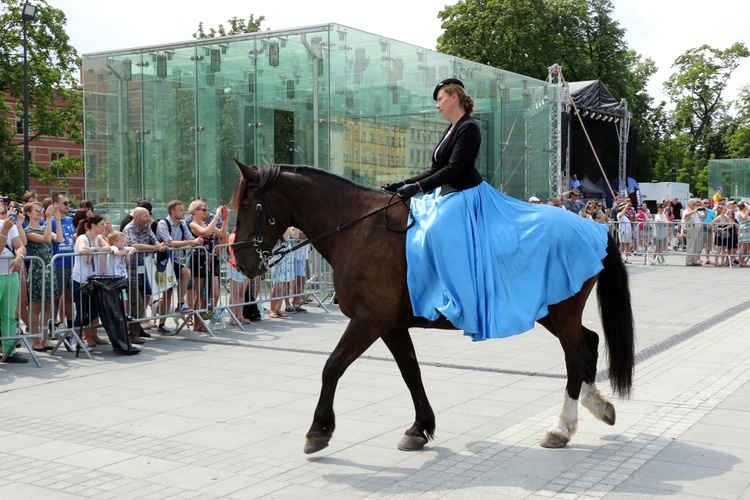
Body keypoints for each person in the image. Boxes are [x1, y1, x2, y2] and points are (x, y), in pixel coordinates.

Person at [381, 78, 608, 341]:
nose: (437, 106)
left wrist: (419, 187)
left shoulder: (469, 128)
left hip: (466, 196)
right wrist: (405, 183)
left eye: (440, 99)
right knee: (419, 225)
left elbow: (454, 170)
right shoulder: (451, 129)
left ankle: (457, 299)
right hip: (448, 194)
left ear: (455, 97)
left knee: (434, 230)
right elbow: (435, 169)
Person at [155, 200, 202, 334]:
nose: (184, 211)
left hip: (174, 260)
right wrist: (191, 241)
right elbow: (170, 242)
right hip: (162, 261)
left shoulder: (182, 224)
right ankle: (161, 324)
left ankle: (181, 303)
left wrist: (197, 241)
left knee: (186, 272)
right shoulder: (163, 224)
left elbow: (189, 238)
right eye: (181, 210)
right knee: (167, 293)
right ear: (173, 212)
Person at [124, 207, 168, 344]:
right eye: (145, 216)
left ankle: (138, 328)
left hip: (145, 270)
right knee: (136, 302)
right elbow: (134, 245)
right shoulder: (129, 228)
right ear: (136, 217)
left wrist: (158, 245)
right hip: (131, 271)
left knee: (143, 300)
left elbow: (153, 240)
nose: (148, 219)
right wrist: (154, 247)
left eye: (148, 216)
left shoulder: (147, 227)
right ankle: (132, 333)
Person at [23, 201, 63, 351]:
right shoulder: (27, 231)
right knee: (36, 307)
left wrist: (57, 219)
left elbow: (58, 239)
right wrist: (47, 217)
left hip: (49, 268)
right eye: (37, 210)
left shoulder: (45, 228)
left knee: (48, 305)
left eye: (41, 210)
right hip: (38, 270)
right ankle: (35, 340)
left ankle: (44, 338)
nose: (40, 212)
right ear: (28, 213)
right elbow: (46, 239)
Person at [71, 215, 111, 349]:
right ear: (93, 226)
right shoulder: (83, 237)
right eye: (101, 224)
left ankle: (72, 335)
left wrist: (93, 251)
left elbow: (109, 248)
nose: (103, 227)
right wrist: (92, 251)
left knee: (96, 310)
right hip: (81, 280)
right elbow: (82, 250)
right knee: (82, 311)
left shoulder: (98, 238)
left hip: (92, 280)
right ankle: (74, 338)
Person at [187, 201, 227, 332]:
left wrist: (225, 218)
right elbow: (205, 233)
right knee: (199, 294)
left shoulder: (207, 223)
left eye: (206, 209)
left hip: (212, 259)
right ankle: (196, 322)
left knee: (215, 292)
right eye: (202, 209)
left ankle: (207, 315)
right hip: (200, 259)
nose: (205, 212)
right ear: (194, 211)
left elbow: (222, 234)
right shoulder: (193, 223)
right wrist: (216, 216)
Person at [0, 206, 29, 363]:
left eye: (4, 212)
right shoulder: (6, 226)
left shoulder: (8, 226)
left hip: (10, 275)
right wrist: (4, 229)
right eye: (1, 213)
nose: (4, 216)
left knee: (8, 315)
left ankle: (9, 351)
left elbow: (21, 246)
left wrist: (19, 257)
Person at [50, 193, 77, 331]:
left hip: (71, 262)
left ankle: (70, 326)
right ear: (56, 204)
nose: (68, 205)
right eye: (65, 203)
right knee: (56, 296)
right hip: (57, 263)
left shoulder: (71, 220)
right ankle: (52, 325)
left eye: (68, 203)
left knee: (68, 295)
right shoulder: (50, 221)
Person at [683, 199, 704, 266]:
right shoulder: (686, 210)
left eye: (696, 204)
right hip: (691, 229)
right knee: (691, 246)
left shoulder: (696, 211)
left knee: (697, 246)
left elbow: (703, 216)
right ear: (689, 204)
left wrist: (704, 209)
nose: (695, 206)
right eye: (694, 204)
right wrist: (696, 210)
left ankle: (695, 260)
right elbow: (686, 215)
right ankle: (689, 261)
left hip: (698, 228)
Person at [737, 202, 750, 267]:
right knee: (743, 246)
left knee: (748, 247)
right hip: (744, 230)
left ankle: (743, 261)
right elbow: (744, 217)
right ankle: (740, 261)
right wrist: (747, 211)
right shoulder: (741, 212)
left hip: (748, 230)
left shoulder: (747, 212)